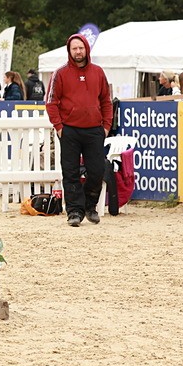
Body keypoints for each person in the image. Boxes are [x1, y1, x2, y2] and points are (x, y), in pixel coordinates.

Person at [46, 33, 112, 227]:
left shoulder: (98, 72)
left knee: (97, 170)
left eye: (80, 48)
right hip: (69, 131)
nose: (78, 51)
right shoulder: (60, 73)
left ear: (86, 49)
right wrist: (58, 126)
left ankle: (90, 207)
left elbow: (106, 101)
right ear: (69, 51)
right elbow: (51, 102)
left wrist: (106, 126)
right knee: (71, 172)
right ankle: (74, 211)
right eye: (74, 48)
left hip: (94, 130)